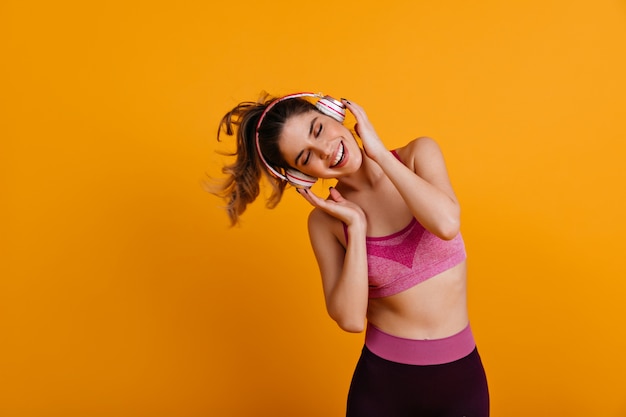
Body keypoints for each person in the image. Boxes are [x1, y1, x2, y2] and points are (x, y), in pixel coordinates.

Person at [213, 91, 489, 416]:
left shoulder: (418, 154)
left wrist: (380, 155)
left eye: (318, 130)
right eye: (306, 157)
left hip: (460, 381)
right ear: (301, 176)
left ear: (333, 114)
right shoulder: (325, 222)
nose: (325, 150)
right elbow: (351, 319)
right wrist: (356, 227)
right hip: (383, 388)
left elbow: (445, 223)